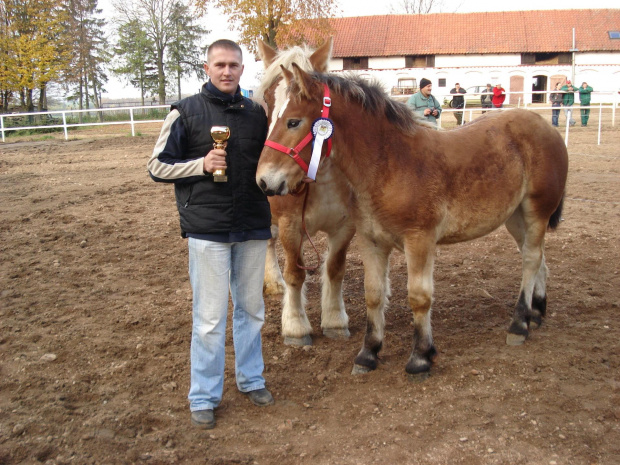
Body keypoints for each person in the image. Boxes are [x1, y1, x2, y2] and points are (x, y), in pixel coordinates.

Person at [147, 39, 273, 430]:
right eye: (219, 64)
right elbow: (156, 166)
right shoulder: (184, 112)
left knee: (252, 311)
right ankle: (203, 395)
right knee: (209, 318)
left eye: (234, 65)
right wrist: (199, 165)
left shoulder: (258, 114)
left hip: (252, 224)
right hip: (207, 229)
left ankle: (252, 380)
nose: (227, 71)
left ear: (242, 68)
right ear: (207, 67)